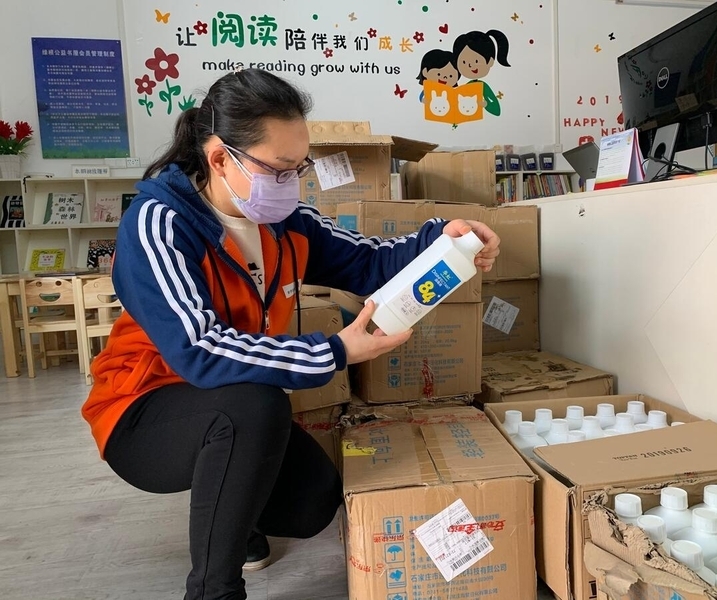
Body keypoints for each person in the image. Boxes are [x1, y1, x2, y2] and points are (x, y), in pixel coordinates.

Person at [80, 68, 500, 600]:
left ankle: (238, 508)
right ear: (218, 158)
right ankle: (213, 589)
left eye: (299, 166)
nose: (291, 181)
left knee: (311, 504)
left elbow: (368, 262)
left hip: (231, 400)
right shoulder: (160, 224)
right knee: (253, 409)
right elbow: (198, 351)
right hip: (141, 413)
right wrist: (337, 350)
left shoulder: (285, 220)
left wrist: (445, 240)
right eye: (279, 168)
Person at [452, 30, 511, 117]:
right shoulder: (467, 85)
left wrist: (485, 104)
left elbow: (496, 110)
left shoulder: (482, 87)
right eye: (464, 62)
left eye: (476, 61)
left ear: (490, 61)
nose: (470, 65)